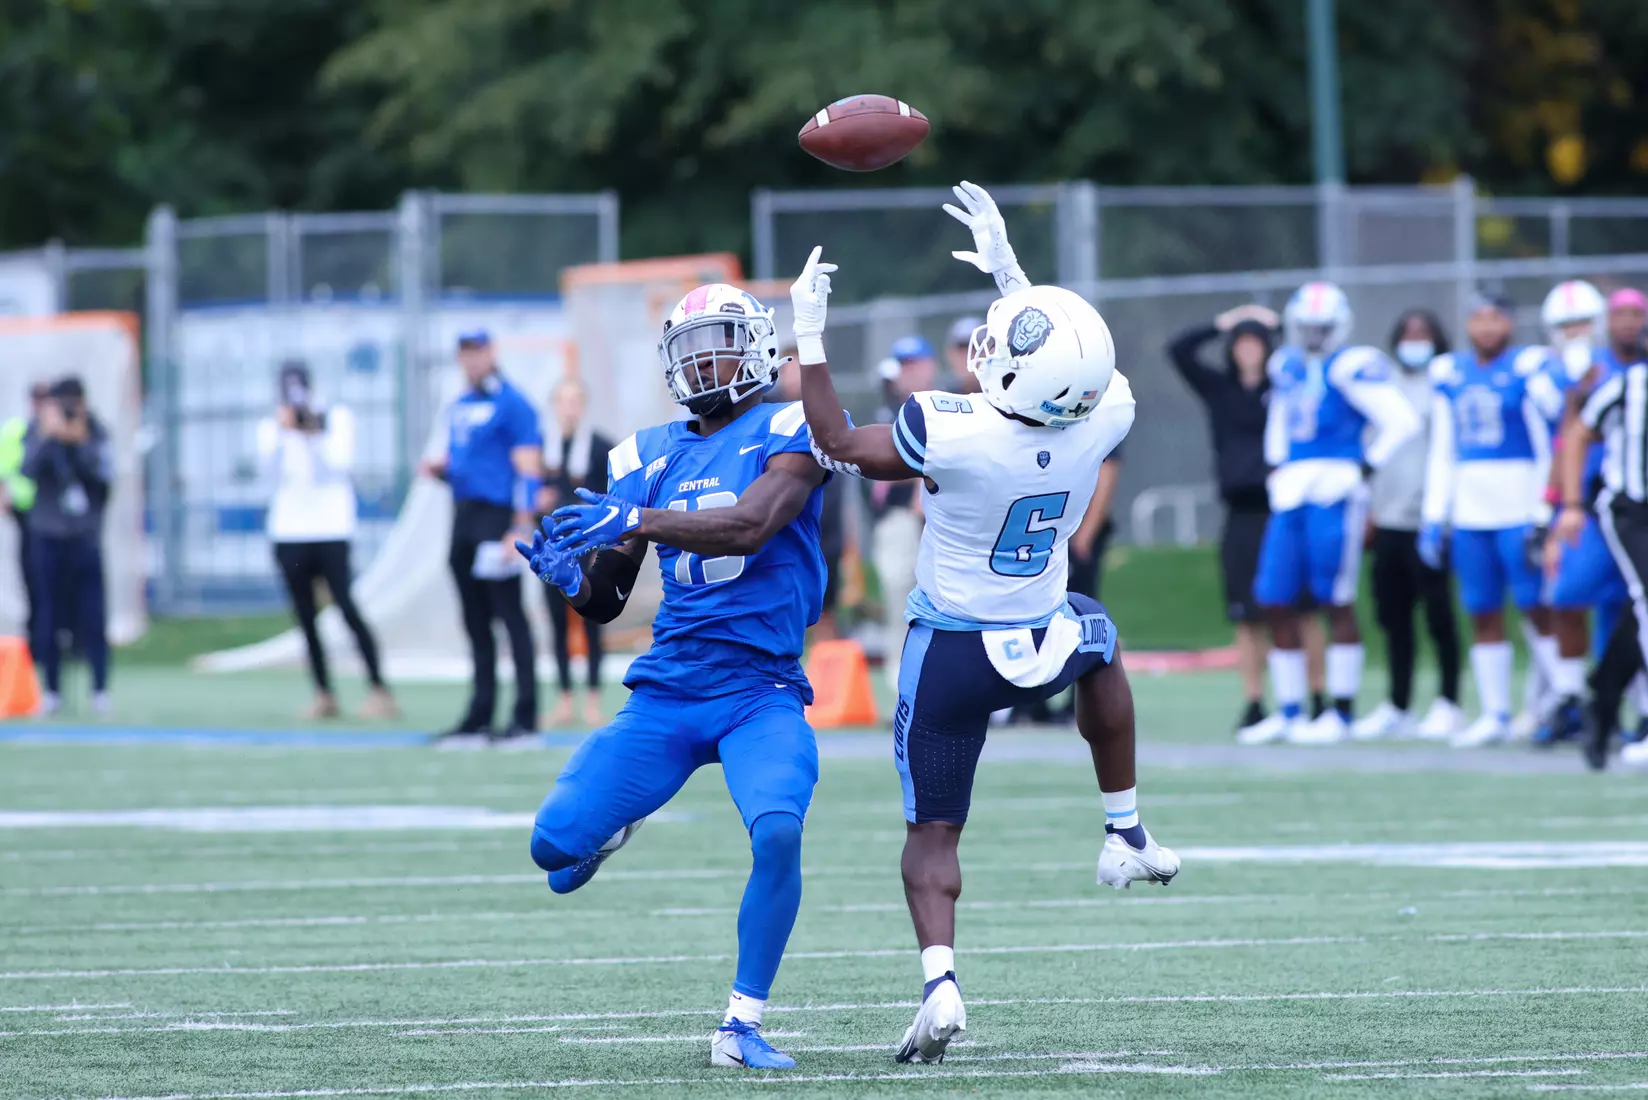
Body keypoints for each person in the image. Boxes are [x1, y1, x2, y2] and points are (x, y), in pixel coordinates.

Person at [795, 181, 1179, 1064]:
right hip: (1044, 640)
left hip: (952, 653)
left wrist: (809, 334)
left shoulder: (950, 427)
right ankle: (1123, 829)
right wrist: (1011, 273)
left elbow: (836, 443)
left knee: (932, 833)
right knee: (1100, 637)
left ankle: (941, 984)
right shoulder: (1104, 415)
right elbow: (1066, 366)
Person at [515, 281, 830, 1070]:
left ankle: (741, 1025)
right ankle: (611, 830)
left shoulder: (793, 427)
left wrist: (638, 519)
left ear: (757, 351)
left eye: (718, 347)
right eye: (690, 352)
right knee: (551, 847)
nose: (702, 364)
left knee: (779, 830)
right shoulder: (644, 454)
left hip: (760, 689)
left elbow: (751, 525)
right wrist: (573, 582)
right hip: (671, 689)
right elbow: (608, 598)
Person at [1248, 281, 1421, 745]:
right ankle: (1290, 710)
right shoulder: (1285, 362)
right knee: (1274, 597)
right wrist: (1275, 465)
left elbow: (1402, 421)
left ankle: (1341, 712)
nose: (1314, 334)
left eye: (1322, 327)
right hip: (1291, 489)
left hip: (1336, 487)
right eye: (1307, 326)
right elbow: (1279, 419)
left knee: (1334, 598)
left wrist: (1365, 466)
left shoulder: (1353, 365)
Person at [1169, 305, 1330, 736]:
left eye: (1256, 341)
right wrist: (1223, 321)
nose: (1248, 350)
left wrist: (1281, 323)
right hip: (1240, 513)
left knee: (1302, 609)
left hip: (1284, 508)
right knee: (1248, 615)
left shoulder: (1286, 386)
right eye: (1240, 342)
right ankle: (1255, 702)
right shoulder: (1219, 389)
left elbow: (1312, 357)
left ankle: (1318, 699)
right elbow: (1178, 350)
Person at [1420, 294, 1564, 747]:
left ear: (1510, 324)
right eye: (1478, 319)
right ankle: (1495, 712)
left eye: (1495, 319)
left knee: (1537, 608)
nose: (1485, 328)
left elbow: (1548, 441)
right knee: (1482, 610)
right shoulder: (1450, 372)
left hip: (1518, 506)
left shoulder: (1527, 367)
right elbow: (1443, 448)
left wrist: (1544, 509)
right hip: (1470, 511)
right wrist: (1434, 514)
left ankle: (1563, 700)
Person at [419, 331, 543, 743]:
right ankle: (480, 713)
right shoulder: (459, 404)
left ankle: (525, 715)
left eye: (478, 351)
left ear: (491, 353)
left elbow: (528, 468)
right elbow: (468, 462)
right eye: (465, 353)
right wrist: (442, 470)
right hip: (464, 516)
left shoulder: (513, 403)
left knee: (509, 615)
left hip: (497, 518)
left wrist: (520, 526)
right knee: (474, 619)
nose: (472, 360)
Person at [256, 360, 395, 721]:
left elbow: (336, 466)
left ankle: (379, 689)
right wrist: (284, 432)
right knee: (305, 615)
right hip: (290, 531)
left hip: (332, 528)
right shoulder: (271, 426)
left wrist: (311, 431)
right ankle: (323, 692)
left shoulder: (336, 417)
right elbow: (269, 474)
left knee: (346, 607)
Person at [1355, 310, 1465, 740]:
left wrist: (1443, 513)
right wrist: (1368, 509)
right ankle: (1398, 704)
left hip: (1430, 521)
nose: (1415, 340)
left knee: (1439, 617)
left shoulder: (1444, 384)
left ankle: (1449, 703)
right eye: (1408, 333)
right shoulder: (1382, 387)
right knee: (1393, 618)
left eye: (1424, 333)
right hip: (1387, 519)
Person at [1540, 284, 1641, 744]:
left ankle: (1626, 707)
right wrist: (1561, 503)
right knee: (1570, 595)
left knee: (1630, 608)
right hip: (1597, 502)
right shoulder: (1590, 372)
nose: (1629, 325)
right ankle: (1573, 698)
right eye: (1621, 316)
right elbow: (1570, 437)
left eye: (1636, 316)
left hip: (1634, 506)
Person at [1557, 336, 1648, 769]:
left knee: (1639, 608)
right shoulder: (1628, 385)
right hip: (1632, 509)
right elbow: (1579, 432)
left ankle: (1605, 694)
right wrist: (1571, 503)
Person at [21, 377, 113, 715]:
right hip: (48, 536)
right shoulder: (38, 431)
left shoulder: (95, 431)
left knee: (93, 615)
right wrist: (51, 435)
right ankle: (52, 690)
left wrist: (79, 440)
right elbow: (27, 470)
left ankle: (100, 689)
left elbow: (104, 479)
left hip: (84, 537)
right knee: (49, 615)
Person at [539, 376, 611, 728]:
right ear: (555, 406)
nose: (569, 408)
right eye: (563, 400)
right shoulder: (542, 449)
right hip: (553, 549)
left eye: (575, 400)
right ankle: (565, 699)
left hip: (587, 548)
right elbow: (528, 494)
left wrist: (603, 546)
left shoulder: (599, 447)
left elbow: (611, 499)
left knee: (592, 620)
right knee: (556, 624)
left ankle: (593, 699)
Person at [871, 335, 933, 682]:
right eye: (904, 366)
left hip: (933, 520)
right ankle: (899, 677)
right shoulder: (891, 411)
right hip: (899, 520)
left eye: (915, 364)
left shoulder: (941, 405)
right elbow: (890, 463)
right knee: (899, 598)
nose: (910, 372)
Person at [0, 383, 45, 650]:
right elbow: (4, 469)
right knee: (31, 575)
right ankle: (36, 637)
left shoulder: (58, 433)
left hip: (55, 519)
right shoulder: (18, 431)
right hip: (26, 515)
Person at [944, 316, 984, 392]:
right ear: (950, 354)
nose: (967, 355)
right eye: (961, 348)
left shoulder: (1003, 393)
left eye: (974, 348)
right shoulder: (942, 394)